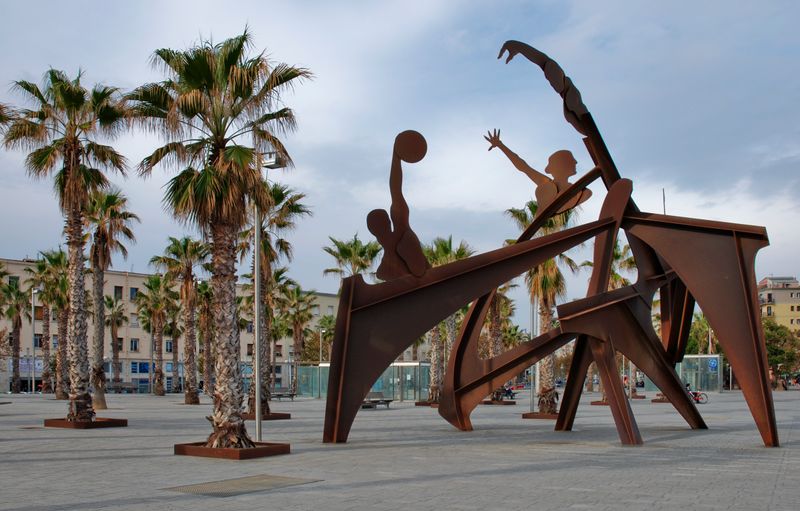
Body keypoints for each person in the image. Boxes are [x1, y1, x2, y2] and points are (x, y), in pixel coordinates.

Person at [367, 130, 431, 281]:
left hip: (419, 285)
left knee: (407, 243)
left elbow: (395, 189)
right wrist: (396, 157)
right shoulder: (398, 232)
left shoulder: (399, 231)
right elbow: (395, 190)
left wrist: (396, 158)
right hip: (415, 289)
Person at [484, 129, 592, 215]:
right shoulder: (546, 183)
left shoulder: (580, 192)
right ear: (560, 165)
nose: (576, 162)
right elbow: (523, 166)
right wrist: (501, 145)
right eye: (570, 160)